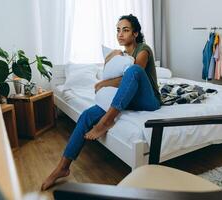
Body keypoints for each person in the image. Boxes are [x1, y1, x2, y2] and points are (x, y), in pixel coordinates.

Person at [41, 14, 161, 191]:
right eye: (118, 30)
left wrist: (103, 83)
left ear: (135, 33)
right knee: (87, 115)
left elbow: (131, 78)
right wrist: (112, 56)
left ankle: (107, 120)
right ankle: (62, 167)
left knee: (133, 70)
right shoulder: (121, 56)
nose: (120, 34)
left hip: (149, 100)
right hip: (129, 98)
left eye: (125, 30)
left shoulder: (143, 49)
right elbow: (114, 76)